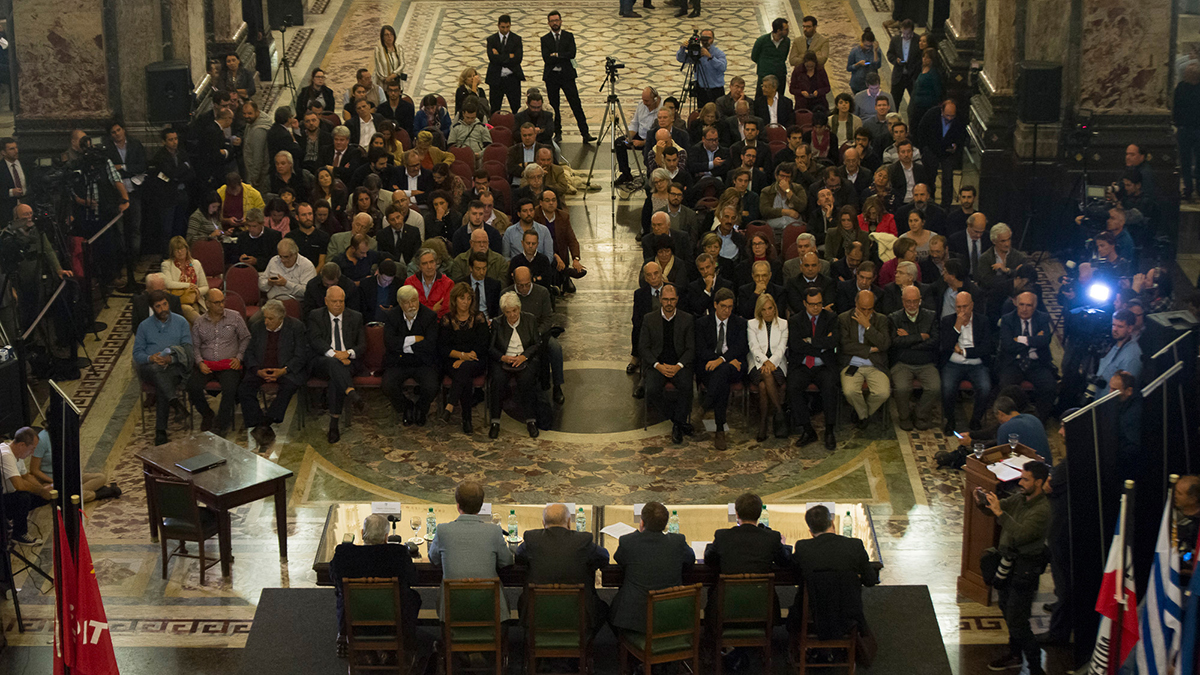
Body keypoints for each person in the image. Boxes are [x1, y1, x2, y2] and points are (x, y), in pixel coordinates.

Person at [979, 461, 1050, 675]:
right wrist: (983, 502)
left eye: (1025, 479)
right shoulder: (1020, 498)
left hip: (1024, 570)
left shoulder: (1042, 510)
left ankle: (1036, 667)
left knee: (1018, 621)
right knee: (1006, 610)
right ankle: (1015, 654)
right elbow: (996, 509)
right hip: (1007, 565)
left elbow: (1020, 534)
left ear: (1038, 482)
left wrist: (1000, 513)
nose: (1020, 482)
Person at [789, 505, 879, 661]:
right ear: (833, 524)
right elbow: (871, 580)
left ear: (810, 531)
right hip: (848, 615)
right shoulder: (854, 546)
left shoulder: (803, 547)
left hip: (814, 615)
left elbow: (796, 576)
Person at [329, 513, 420, 657]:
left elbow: (334, 580)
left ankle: (346, 635)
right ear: (386, 537)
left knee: (341, 594)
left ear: (362, 533)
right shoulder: (398, 554)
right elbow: (413, 579)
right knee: (413, 597)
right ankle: (402, 641)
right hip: (392, 620)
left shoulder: (343, 554)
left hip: (355, 617)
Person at [515, 503, 611, 634]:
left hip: (538, 613)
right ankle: (585, 643)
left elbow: (519, 559)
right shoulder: (583, 540)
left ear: (543, 523)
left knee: (522, 601)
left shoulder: (531, 539)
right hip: (579, 615)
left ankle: (533, 641)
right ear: (569, 522)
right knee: (603, 608)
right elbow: (604, 558)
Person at [428, 482, 515, 616]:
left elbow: (434, 560)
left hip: (452, 610)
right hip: (489, 608)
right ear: (481, 506)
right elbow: (507, 561)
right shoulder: (494, 531)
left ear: (458, 506)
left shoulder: (442, 530)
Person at [609, 502, 695, 634]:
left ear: (642, 522)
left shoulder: (628, 541)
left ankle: (630, 648)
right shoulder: (677, 542)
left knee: (612, 611)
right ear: (665, 524)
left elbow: (620, 559)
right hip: (672, 617)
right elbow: (690, 560)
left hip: (635, 620)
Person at [238, 299, 307, 446]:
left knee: (289, 386)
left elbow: (301, 355)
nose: (266, 322)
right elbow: (249, 353)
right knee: (244, 389)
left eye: (271, 319)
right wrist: (257, 370)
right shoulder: (257, 327)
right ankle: (259, 423)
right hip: (261, 369)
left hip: (285, 369)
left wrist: (284, 370)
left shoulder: (296, 327)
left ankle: (267, 420)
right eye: (265, 317)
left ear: (281, 318)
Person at [186, 289, 249, 437]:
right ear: (207, 304)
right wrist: (200, 362)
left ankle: (221, 424)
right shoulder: (199, 323)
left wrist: (239, 357)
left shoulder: (235, 317)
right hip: (207, 364)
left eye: (222, 301)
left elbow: (246, 337)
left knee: (230, 388)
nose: (221, 305)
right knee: (192, 386)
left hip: (228, 364)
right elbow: (195, 346)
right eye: (217, 302)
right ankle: (207, 414)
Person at [134, 291, 194, 445]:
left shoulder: (181, 322)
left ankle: (160, 431)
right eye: (158, 306)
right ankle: (175, 404)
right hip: (149, 368)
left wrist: (171, 359)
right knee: (155, 369)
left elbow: (188, 350)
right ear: (153, 308)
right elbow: (137, 354)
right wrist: (150, 358)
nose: (163, 309)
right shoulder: (144, 326)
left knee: (162, 384)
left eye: (165, 304)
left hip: (173, 367)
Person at [307, 285, 365, 444]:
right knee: (333, 365)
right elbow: (315, 341)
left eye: (341, 301)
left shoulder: (356, 317)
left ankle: (334, 425)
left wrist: (347, 353)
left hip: (348, 362)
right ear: (326, 301)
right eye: (334, 301)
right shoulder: (316, 316)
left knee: (335, 379)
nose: (338, 304)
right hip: (323, 362)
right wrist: (336, 355)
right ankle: (351, 392)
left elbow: (362, 346)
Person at [640, 283, 695, 444]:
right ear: (660, 299)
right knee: (652, 389)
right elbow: (643, 348)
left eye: (672, 299)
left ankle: (677, 424)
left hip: (679, 365)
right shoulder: (649, 319)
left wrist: (678, 366)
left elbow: (691, 349)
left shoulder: (687, 319)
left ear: (677, 299)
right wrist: (658, 365)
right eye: (665, 299)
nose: (669, 303)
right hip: (658, 364)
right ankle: (677, 420)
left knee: (686, 387)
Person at [695, 288, 747, 451]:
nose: (727, 311)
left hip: (734, 367)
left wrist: (722, 360)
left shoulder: (739, 323)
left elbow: (741, 347)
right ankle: (719, 431)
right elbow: (701, 350)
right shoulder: (702, 323)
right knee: (721, 381)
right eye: (723, 306)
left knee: (722, 373)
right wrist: (723, 361)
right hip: (710, 367)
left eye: (730, 307)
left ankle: (706, 406)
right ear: (715, 305)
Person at [382, 285, 440, 427]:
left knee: (432, 386)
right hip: (398, 362)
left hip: (422, 362)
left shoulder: (429, 316)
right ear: (400, 303)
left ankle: (421, 408)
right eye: (407, 302)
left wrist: (403, 345)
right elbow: (389, 343)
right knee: (387, 385)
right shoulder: (391, 316)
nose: (412, 305)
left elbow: (430, 344)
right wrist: (414, 339)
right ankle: (406, 406)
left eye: (414, 301)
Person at [488, 291, 541, 439]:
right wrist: (503, 357)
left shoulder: (530, 319)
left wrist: (524, 357)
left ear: (519, 308)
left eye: (514, 311)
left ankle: (531, 420)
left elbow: (537, 343)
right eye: (508, 312)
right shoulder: (498, 323)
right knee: (497, 382)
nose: (512, 315)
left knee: (526, 381)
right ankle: (495, 421)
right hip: (504, 360)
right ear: (503, 312)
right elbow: (490, 348)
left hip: (524, 359)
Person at [995, 292, 1056, 421]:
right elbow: (1008, 346)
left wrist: (1021, 339)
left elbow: (1045, 340)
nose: (1024, 309)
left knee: (1049, 386)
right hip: (1013, 363)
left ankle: (1039, 421)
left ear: (1034, 306)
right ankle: (1010, 421)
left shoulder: (1042, 318)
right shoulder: (1007, 320)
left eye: (1028, 305)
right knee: (1006, 387)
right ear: (1016, 304)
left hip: (1037, 363)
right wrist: (1034, 340)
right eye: (1021, 304)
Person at [888, 284, 940, 430]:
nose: (911, 305)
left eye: (914, 301)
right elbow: (894, 342)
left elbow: (935, 341)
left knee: (934, 387)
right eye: (908, 301)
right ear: (902, 301)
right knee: (902, 388)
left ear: (920, 300)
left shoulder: (931, 316)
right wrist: (920, 337)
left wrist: (909, 340)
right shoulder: (894, 318)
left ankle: (920, 414)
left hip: (926, 362)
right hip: (902, 362)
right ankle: (904, 417)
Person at [941, 291, 993, 432]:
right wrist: (957, 326)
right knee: (947, 388)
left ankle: (976, 420)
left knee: (985, 388)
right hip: (953, 364)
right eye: (959, 307)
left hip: (976, 364)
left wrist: (963, 352)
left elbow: (986, 348)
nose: (962, 311)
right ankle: (950, 421)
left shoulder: (983, 321)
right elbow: (945, 346)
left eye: (965, 307)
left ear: (972, 306)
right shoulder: (948, 321)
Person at [838, 290, 891, 429]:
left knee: (883, 392)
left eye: (870, 309)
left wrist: (868, 326)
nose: (867, 312)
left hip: (875, 364)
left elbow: (884, 344)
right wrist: (870, 349)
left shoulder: (881, 319)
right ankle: (864, 416)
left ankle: (861, 413)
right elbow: (844, 345)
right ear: (856, 304)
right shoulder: (844, 318)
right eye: (863, 309)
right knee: (849, 391)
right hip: (852, 364)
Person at [540, 11, 593, 143]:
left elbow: (572, 54)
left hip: (567, 76)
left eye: (557, 20)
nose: (555, 23)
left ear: (561, 21)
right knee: (554, 106)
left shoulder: (568, 36)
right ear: (548, 23)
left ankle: (585, 133)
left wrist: (556, 55)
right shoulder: (545, 39)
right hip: (552, 76)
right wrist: (561, 56)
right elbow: (547, 58)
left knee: (576, 103)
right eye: (552, 21)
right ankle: (557, 133)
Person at [1, 428, 52, 546]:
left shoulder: (17, 453)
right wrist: (41, 490)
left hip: (8, 494)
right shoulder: (6, 455)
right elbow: (19, 485)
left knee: (42, 497)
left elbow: (26, 476)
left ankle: (11, 517)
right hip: (4, 497)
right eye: (32, 448)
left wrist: (42, 490)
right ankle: (19, 534)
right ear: (22, 445)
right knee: (23, 497)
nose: (32, 452)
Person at [916, 99, 968, 207]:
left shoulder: (960, 118)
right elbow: (921, 130)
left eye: (951, 116)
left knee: (948, 178)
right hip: (932, 150)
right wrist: (923, 149)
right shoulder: (932, 114)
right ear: (942, 111)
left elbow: (963, 135)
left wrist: (956, 146)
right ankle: (930, 201)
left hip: (948, 153)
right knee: (930, 176)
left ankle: (946, 205)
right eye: (947, 116)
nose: (949, 119)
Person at [993, 395, 1051, 463]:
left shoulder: (1004, 428)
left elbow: (1002, 456)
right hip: (1047, 465)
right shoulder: (1033, 418)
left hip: (1030, 469)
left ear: (1000, 413)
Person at [675, 29, 727, 105]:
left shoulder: (718, 53)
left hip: (716, 90)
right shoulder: (697, 52)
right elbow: (681, 59)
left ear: (712, 39)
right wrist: (682, 49)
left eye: (708, 38)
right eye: (703, 38)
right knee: (702, 112)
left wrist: (710, 57)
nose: (705, 41)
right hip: (702, 90)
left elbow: (722, 67)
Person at [485, 15, 524, 114]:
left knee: (516, 107)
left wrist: (499, 56)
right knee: (494, 108)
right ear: (498, 26)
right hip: (496, 78)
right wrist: (509, 56)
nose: (505, 30)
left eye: (507, 27)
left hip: (512, 78)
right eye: (503, 27)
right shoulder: (492, 40)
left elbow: (518, 58)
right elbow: (492, 58)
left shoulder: (516, 39)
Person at [405, 247, 454, 318]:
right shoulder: (410, 283)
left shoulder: (448, 283)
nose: (429, 266)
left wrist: (422, 310)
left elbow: (446, 311)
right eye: (424, 263)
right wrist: (433, 309)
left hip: (439, 325)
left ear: (436, 263)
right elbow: (409, 310)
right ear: (419, 266)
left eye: (431, 262)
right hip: (415, 325)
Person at [1177, 63, 1200, 200]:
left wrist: (1177, 123)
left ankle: (1188, 188)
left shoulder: (1181, 88)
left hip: (1185, 129)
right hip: (1197, 129)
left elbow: (1176, 108)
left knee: (1185, 161)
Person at [751, 18, 791, 95]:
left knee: (779, 97)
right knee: (761, 98)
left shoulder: (787, 41)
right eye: (786, 29)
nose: (788, 31)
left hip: (780, 75)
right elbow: (754, 57)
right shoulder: (762, 40)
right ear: (779, 30)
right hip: (764, 74)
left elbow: (784, 57)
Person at [887, 20, 920, 104]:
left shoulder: (918, 40)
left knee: (914, 101)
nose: (905, 36)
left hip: (912, 76)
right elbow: (890, 54)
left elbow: (920, 58)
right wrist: (896, 61)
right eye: (904, 33)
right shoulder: (895, 40)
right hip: (899, 76)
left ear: (912, 31)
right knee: (894, 102)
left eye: (908, 34)